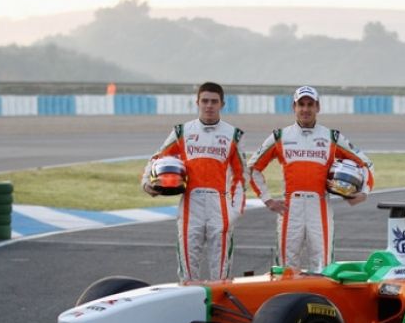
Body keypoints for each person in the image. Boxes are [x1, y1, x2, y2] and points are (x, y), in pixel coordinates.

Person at [248, 85, 374, 272]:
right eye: (301, 104)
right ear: (294, 107)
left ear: (318, 107)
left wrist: (363, 192)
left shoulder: (332, 137)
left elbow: (365, 164)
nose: (305, 109)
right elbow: (252, 168)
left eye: (310, 104)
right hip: (290, 209)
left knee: (323, 266)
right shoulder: (280, 137)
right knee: (286, 268)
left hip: (320, 207)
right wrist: (267, 200)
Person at [142, 82, 247, 281]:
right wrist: (147, 182)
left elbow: (241, 177)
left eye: (214, 102)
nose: (209, 106)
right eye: (205, 101)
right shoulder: (182, 131)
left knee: (222, 274)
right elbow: (158, 157)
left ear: (222, 104)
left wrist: (235, 211)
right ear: (197, 102)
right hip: (191, 204)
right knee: (188, 272)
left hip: (220, 206)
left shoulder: (233, 135)